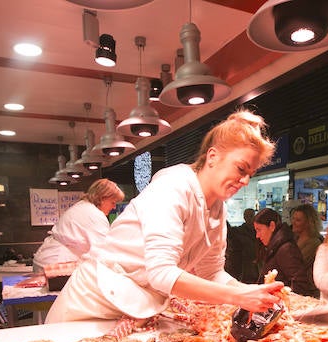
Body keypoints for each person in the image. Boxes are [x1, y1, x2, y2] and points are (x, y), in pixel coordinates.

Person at [45, 110, 284, 323]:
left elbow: (212, 272)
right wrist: (238, 296)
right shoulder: (173, 186)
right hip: (91, 304)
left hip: (133, 308)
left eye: (251, 174)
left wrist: (251, 293)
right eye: (241, 169)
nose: (245, 180)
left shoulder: (217, 209)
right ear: (212, 157)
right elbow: (162, 274)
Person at [32, 178, 123, 271]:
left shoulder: (83, 206)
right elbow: (104, 251)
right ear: (102, 198)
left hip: (48, 259)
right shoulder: (94, 215)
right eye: (113, 202)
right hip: (56, 263)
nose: (114, 207)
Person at [253, 207, 318, 297]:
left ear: (272, 226)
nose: (257, 235)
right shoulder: (275, 246)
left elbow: (300, 284)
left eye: (259, 230)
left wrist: (283, 298)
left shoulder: (286, 248)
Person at [225, 208, 260, 284]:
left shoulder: (259, 231)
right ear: (244, 217)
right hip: (245, 267)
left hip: (257, 265)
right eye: (247, 216)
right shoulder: (238, 231)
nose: (250, 218)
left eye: (251, 216)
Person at [289, 203, 323, 272]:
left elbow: (296, 265)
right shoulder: (294, 238)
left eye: (298, 220)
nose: (293, 222)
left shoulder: (314, 243)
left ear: (308, 223)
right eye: (293, 219)